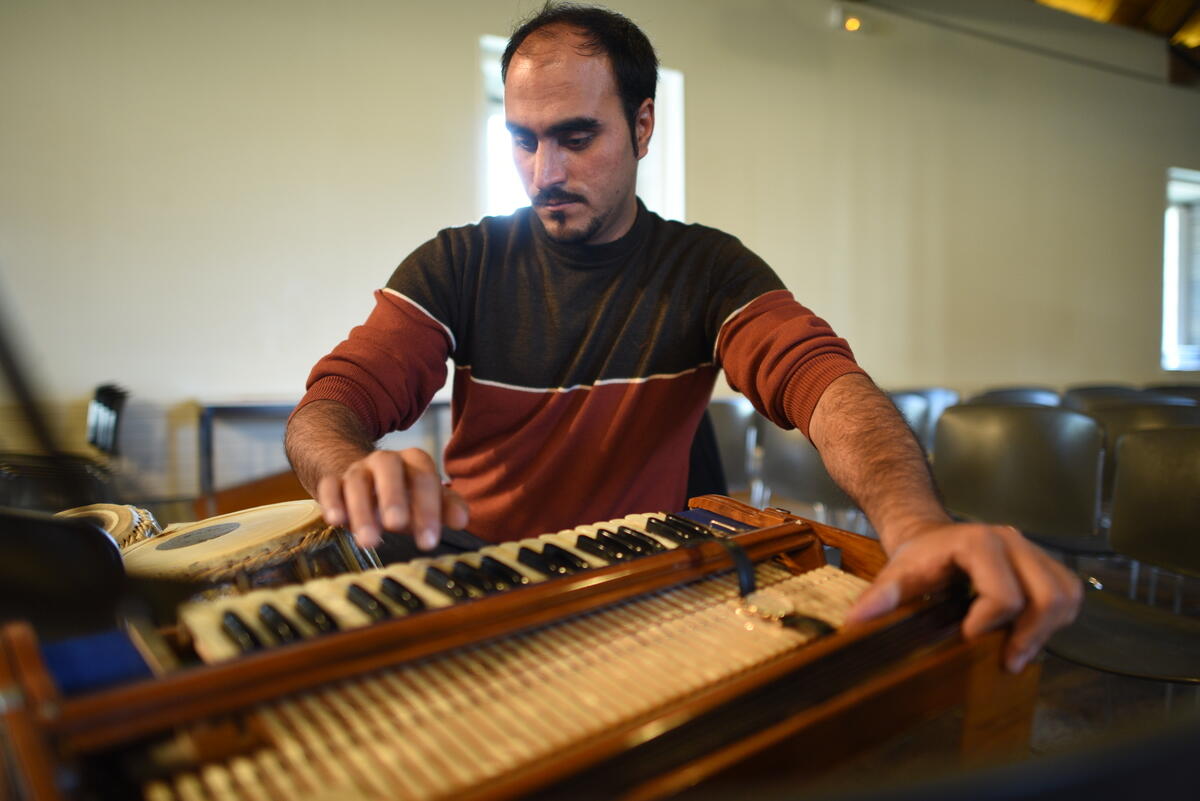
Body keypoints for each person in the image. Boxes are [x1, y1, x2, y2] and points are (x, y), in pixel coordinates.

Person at [285, 2, 1080, 674]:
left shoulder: (707, 268)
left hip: (643, 590)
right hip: (481, 579)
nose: (543, 173)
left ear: (643, 125)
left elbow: (826, 386)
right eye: (523, 139)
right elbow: (328, 408)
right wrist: (349, 467)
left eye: (575, 137)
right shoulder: (460, 261)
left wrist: (916, 527)